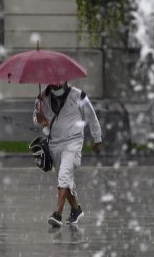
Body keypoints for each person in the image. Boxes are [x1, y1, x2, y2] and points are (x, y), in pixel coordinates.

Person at [32, 81, 103, 227]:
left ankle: (57, 214)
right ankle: (76, 210)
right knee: (64, 179)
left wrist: (97, 138)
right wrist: (40, 120)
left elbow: (91, 116)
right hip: (54, 143)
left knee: (64, 175)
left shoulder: (78, 95)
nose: (57, 82)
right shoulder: (42, 97)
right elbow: (35, 119)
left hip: (73, 141)